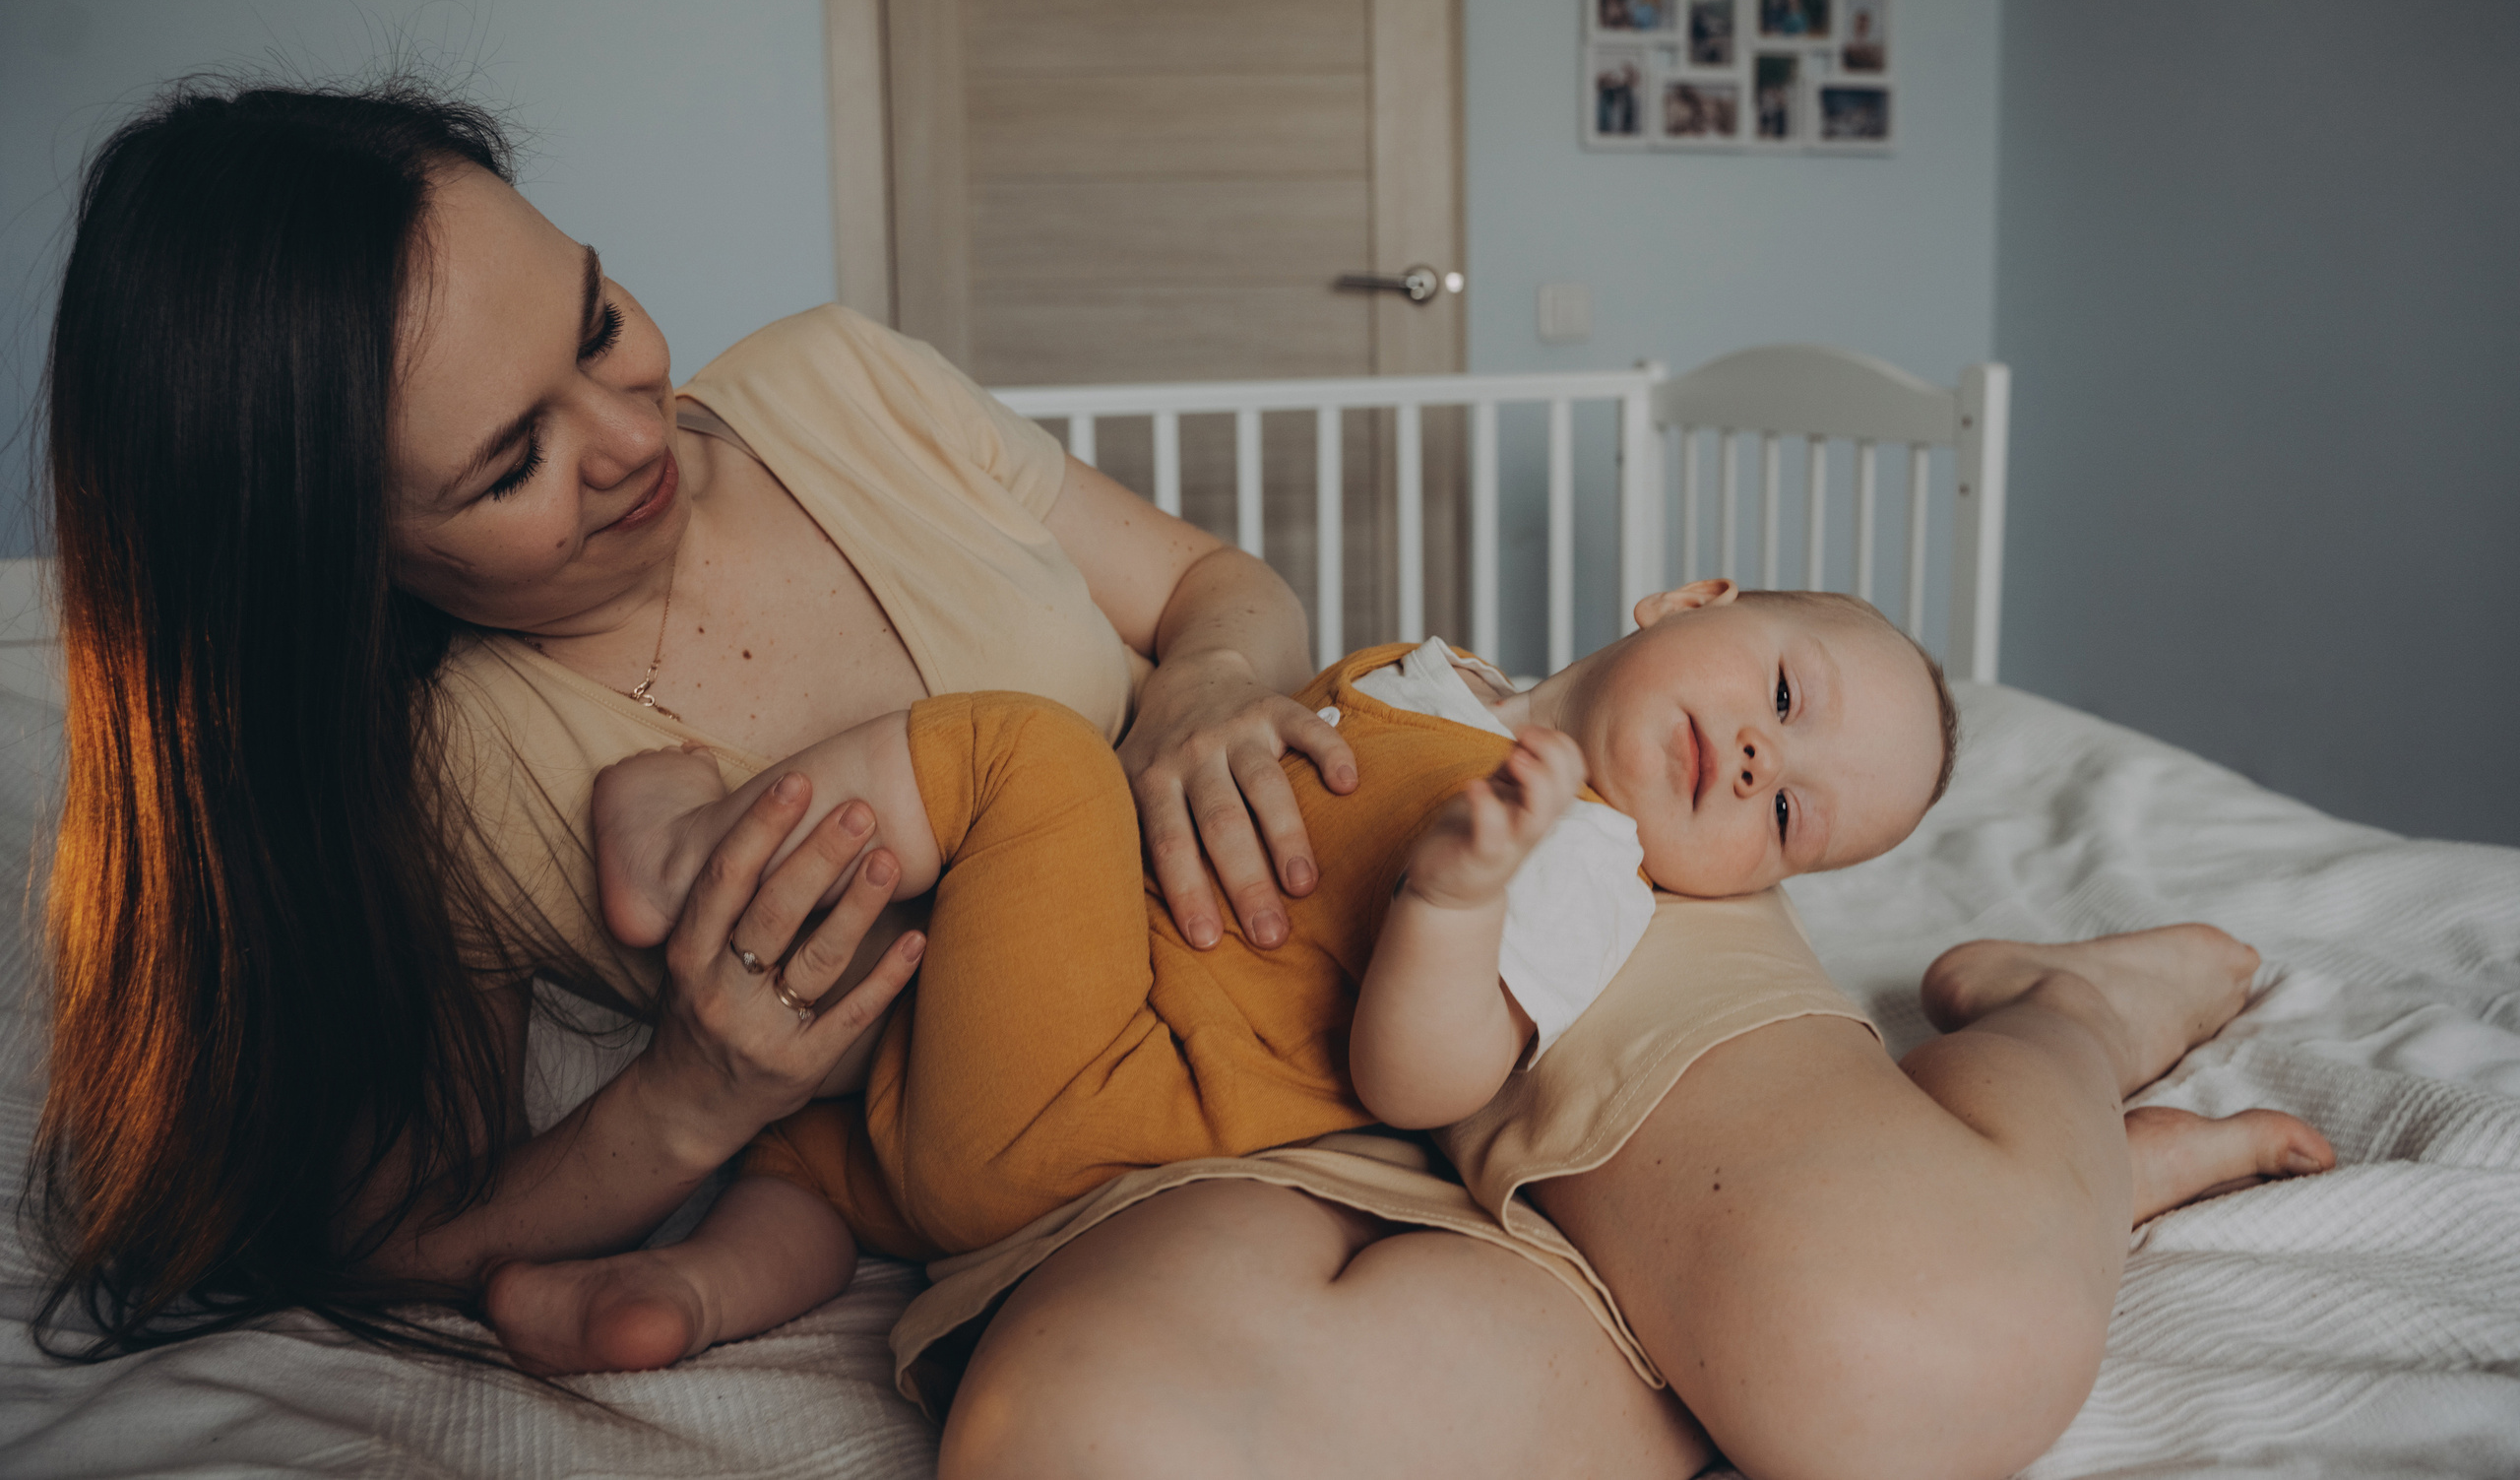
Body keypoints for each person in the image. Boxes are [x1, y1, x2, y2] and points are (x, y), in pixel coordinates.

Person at [34, 78, 2334, 1480]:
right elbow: (366, 1225)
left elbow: (1222, 587)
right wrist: (687, 1099)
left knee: (1887, 1324)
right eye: (518, 459)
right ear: (329, 545)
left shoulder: (833, 379)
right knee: (1094, 1432)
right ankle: (2022, 1123)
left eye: (603, 320)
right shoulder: (451, 770)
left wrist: (1200, 699)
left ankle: (2056, 1033)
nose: (639, 435)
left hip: (1468, 951)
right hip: (1142, 1159)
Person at [482, 583, 1955, 1369]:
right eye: (1781, 696)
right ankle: (682, 1298)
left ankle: (690, 856)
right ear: (1684, 597)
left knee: (1029, 755)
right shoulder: (1432, 675)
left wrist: (1451, 901)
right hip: (987, 1078)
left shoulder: (1567, 861)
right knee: (805, 1170)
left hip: (1092, 1091)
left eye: (1788, 817)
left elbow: (1424, 1078)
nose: (1764, 759)